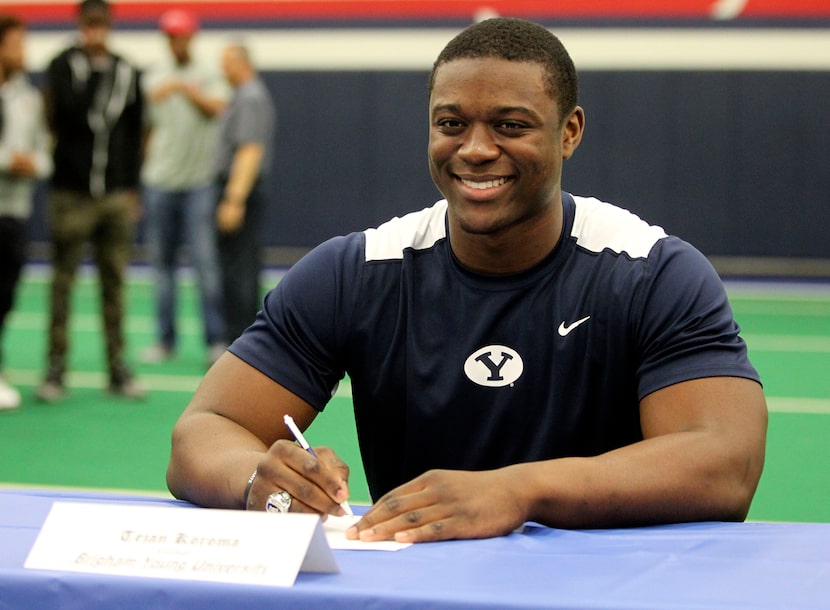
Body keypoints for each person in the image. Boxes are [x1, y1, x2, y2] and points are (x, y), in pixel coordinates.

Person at [167, 18, 767, 543]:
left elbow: (724, 463)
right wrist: (259, 479)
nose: (476, 149)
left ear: (570, 132)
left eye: (510, 125)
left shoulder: (652, 270)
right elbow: (204, 431)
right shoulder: (356, 272)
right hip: (418, 588)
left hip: (608, 590)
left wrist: (520, 492)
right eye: (451, 123)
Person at [36, 0, 145, 402]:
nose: (95, 32)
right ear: (80, 26)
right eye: (89, 25)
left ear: (110, 26)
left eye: (101, 25)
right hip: (71, 193)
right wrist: (92, 74)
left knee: (114, 282)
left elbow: (134, 130)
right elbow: (65, 114)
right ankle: (54, 368)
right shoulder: (63, 66)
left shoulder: (126, 70)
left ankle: (117, 366)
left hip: (114, 195)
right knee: (62, 281)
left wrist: (132, 187)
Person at [140, 9, 228, 366]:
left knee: (205, 264)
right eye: (172, 36)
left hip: (199, 184)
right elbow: (147, 129)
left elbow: (217, 107)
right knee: (161, 267)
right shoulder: (152, 77)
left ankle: (215, 339)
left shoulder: (209, 74)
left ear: (192, 37)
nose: (178, 42)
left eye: (183, 35)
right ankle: (165, 340)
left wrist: (185, 89)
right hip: (159, 182)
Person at [0, 14, 52, 410]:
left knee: (5, 294)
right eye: (16, 44)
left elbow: (43, 154)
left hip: (13, 210)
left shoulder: (29, 97)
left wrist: (32, 162)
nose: (24, 53)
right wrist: (6, 160)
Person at [213, 43, 276, 344]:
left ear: (241, 63)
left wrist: (233, 199)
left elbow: (249, 150)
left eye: (227, 63)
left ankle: (240, 341)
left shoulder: (250, 97)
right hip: (239, 191)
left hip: (242, 193)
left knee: (240, 270)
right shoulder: (243, 96)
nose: (222, 70)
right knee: (235, 267)